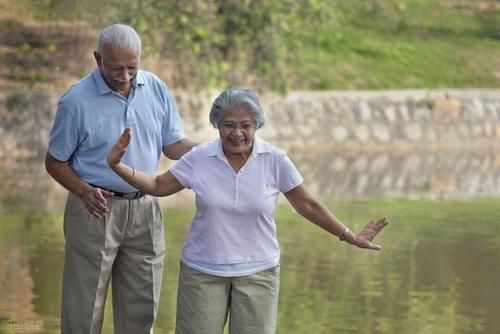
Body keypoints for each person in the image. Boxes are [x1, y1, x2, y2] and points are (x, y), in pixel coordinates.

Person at [107, 87, 388, 334]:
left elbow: (307, 205)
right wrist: (120, 168)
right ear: (216, 125)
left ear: (257, 125)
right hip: (203, 271)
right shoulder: (200, 158)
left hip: (259, 273)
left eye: (246, 125)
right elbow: (157, 185)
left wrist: (348, 235)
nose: (237, 133)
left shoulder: (274, 159)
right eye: (229, 125)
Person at [45, 23, 195, 334]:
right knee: (83, 310)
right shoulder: (75, 101)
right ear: (98, 59)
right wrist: (83, 191)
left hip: (146, 209)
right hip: (94, 209)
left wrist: (211, 149)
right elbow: (54, 162)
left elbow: (172, 145)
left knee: (142, 311)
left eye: (132, 67)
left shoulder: (155, 88)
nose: (125, 76)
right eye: (116, 68)